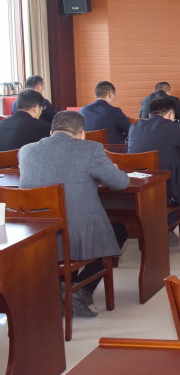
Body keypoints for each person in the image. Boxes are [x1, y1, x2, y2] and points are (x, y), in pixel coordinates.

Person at [19, 110, 129, 316]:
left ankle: (62, 286)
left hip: (38, 233)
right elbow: (120, 183)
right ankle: (80, 289)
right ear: (81, 133)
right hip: (73, 234)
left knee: (74, 231)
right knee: (118, 231)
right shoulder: (90, 149)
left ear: (51, 132)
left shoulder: (26, 151)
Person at [127, 97, 180, 234]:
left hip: (138, 185)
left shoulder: (134, 127)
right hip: (165, 189)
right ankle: (163, 228)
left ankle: (157, 228)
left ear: (150, 113)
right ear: (171, 114)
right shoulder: (172, 128)